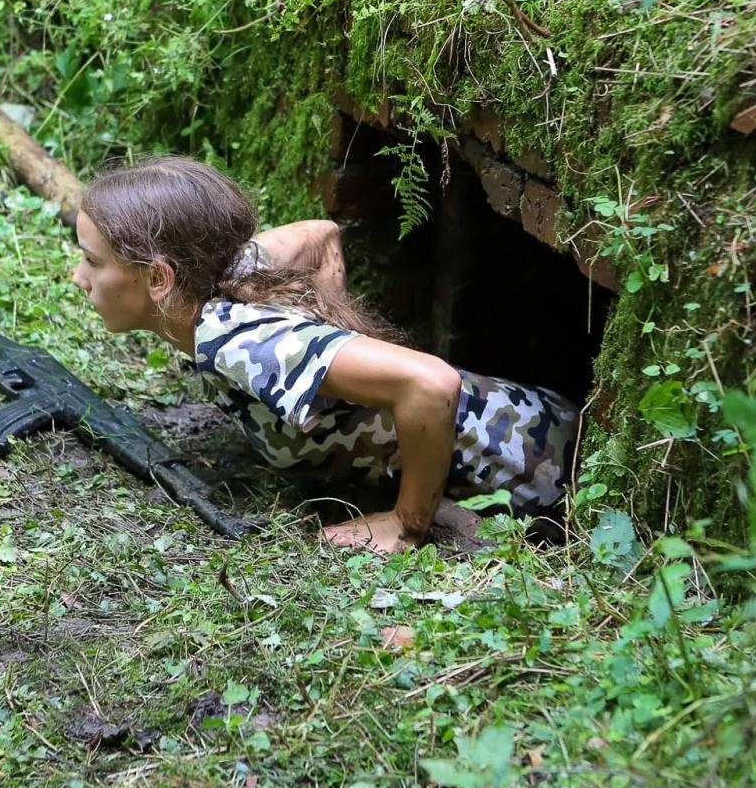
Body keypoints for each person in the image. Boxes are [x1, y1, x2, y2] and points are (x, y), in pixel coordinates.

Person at [70, 155, 580, 553]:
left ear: (159, 277)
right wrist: (332, 337)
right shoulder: (225, 269)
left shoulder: (246, 343)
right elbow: (320, 234)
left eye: (93, 261)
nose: (78, 276)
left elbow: (431, 383)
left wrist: (407, 523)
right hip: (539, 414)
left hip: (540, 472)